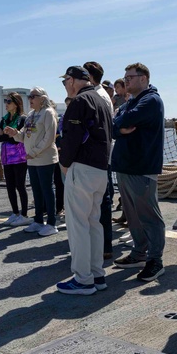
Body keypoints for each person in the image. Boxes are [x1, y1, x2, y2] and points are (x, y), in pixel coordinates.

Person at [55, 66, 113, 295]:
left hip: (82, 168)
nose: (65, 85)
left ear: (74, 80)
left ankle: (83, 279)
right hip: (101, 169)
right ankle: (97, 274)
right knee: (93, 223)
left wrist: (65, 163)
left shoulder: (80, 102)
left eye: (65, 81)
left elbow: (71, 138)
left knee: (78, 225)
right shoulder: (101, 100)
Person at [111, 63, 167, 283]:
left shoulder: (150, 100)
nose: (126, 81)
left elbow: (123, 120)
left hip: (141, 167)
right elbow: (114, 124)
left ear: (143, 78)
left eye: (130, 78)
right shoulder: (131, 101)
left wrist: (119, 124)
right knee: (133, 215)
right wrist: (118, 126)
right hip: (125, 166)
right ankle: (139, 253)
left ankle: (156, 260)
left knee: (149, 216)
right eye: (125, 78)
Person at [9, 87, 59, 236]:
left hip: (44, 159)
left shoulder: (48, 113)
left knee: (47, 190)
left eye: (33, 96)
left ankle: (51, 223)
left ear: (42, 98)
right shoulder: (31, 114)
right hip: (32, 159)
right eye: (29, 96)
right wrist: (15, 134)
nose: (30, 99)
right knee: (36, 191)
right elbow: (24, 135)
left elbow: (49, 138)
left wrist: (34, 152)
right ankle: (38, 220)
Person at [84, 61, 117, 261]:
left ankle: (104, 246)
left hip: (99, 157)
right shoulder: (101, 95)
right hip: (101, 155)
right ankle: (101, 245)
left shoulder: (98, 96)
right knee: (100, 200)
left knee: (102, 201)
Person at [0, 93, 30, 226]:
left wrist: (7, 135)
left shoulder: (22, 119)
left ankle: (25, 214)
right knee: (9, 185)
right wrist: (8, 135)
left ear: (16, 103)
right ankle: (15, 212)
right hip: (6, 155)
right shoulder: (4, 119)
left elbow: (17, 139)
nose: (6, 103)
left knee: (20, 185)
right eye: (6, 101)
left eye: (9, 101)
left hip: (19, 156)